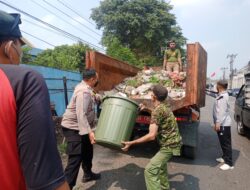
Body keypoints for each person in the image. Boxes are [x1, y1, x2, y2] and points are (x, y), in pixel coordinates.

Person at [0, 10, 70, 190]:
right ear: (9, 48)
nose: (20, 54)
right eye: (19, 48)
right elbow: (46, 181)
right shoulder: (24, 80)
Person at [122, 84, 182, 190]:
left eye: (152, 93)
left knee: (150, 171)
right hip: (172, 142)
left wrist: (131, 143)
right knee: (161, 168)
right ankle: (164, 187)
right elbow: (159, 113)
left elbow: (151, 136)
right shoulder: (165, 105)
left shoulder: (157, 111)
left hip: (169, 146)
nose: (150, 94)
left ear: (153, 97)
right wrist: (147, 108)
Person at [61, 68, 101, 189]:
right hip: (73, 128)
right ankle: (68, 186)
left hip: (81, 127)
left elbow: (92, 95)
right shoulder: (83, 92)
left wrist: (98, 97)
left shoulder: (87, 88)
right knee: (76, 158)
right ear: (92, 79)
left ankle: (87, 174)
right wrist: (90, 132)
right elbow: (81, 114)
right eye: (97, 78)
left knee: (88, 151)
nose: (98, 80)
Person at [213, 80, 234, 170]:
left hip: (223, 124)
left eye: (217, 85)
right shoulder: (221, 95)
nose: (216, 86)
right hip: (222, 123)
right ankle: (224, 157)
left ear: (220, 86)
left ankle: (229, 163)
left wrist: (218, 123)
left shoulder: (223, 97)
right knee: (222, 142)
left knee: (226, 143)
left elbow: (221, 112)